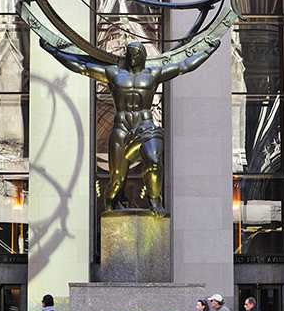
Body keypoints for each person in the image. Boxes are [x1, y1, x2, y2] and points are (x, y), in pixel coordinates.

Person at [43, 39, 219, 215]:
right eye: (130, 52)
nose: (132, 56)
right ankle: (111, 212)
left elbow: (183, 67)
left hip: (145, 128)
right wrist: (54, 51)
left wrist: (208, 51)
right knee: (117, 182)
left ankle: (154, 200)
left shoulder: (153, 74)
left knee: (155, 162)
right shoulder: (113, 74)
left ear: (143, 55)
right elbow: (81, 67)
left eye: (136, 52)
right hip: (121, 130)